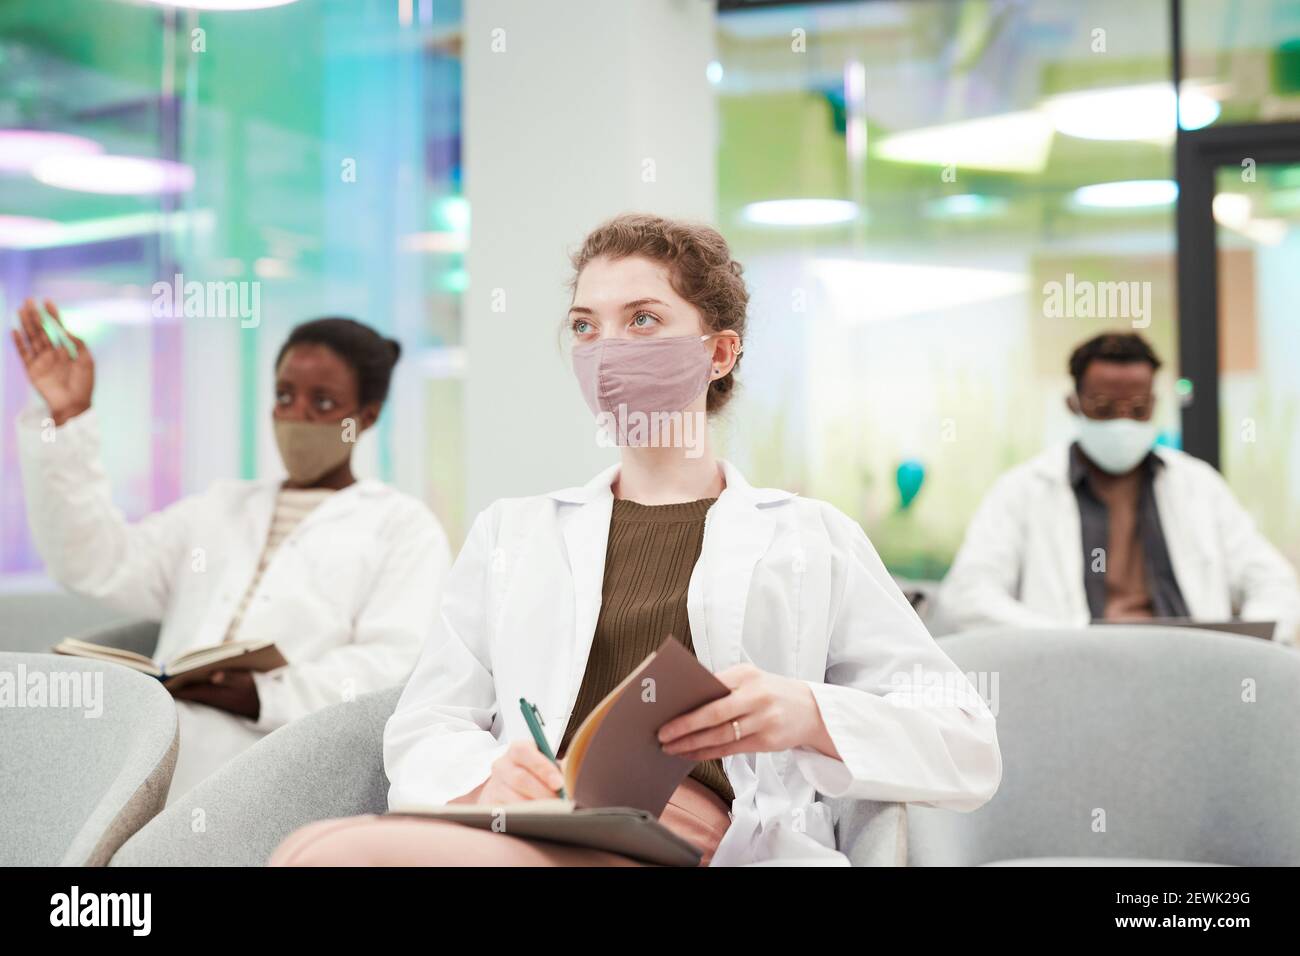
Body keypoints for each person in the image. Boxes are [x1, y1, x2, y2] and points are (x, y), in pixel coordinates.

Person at [270, 213, 1001, 867]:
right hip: (531, 825)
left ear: (718, 353)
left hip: (695, 843)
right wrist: (487, 775)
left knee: (339, 858)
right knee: (315, 851)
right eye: (586, 325)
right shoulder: (512, 533)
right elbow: (427, 721)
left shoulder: (811, 537)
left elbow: (966, 744)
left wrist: (808, 712)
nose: (605, 348)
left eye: (643, 320)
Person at [11, 301, 451, 801]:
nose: (296, 415)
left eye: (323, 403)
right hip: (152, 742)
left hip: (279, 765)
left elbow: (391, 667)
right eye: (284, 396)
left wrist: (262, 696)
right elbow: (96, 563)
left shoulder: (403, 528)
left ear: (365, 417)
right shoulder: (222, 507)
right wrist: (69, 417)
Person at [939, 331, 1300, 644]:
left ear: (1155, 405)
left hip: (1191, 666)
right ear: (1073, 404)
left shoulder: (1198, 485)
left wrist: (1244, 651)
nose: (1122, 421)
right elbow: (969, 596)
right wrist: (1058, 642)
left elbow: (1274, 584)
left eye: (1138, 408)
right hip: (1075, 671)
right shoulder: (1022, 490)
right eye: (1103, 407)